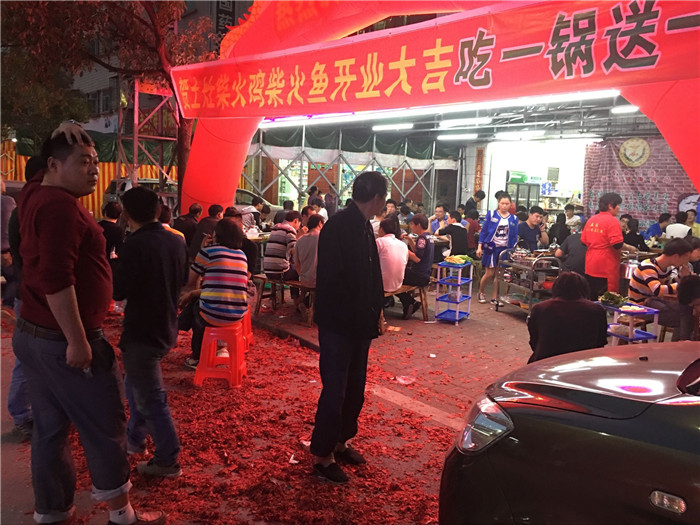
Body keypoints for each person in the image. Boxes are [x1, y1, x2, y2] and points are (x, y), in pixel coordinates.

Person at [14, 129, 165, 525]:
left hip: (33, 333)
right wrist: (78, 341)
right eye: (83, 162)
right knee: (105, 426)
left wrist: (60, 132)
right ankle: (122, 514)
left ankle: (52, 511)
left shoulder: (34, 193)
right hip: (62, 338)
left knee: (50, 429)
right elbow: (57, 280)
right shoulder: (60, 208)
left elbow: (39, 169)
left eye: (95, 162)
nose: (95, 170)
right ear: (53, 165)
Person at [310, 171, 386, 484]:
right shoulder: (338, 225)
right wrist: (358, 311)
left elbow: (372, 274)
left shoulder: (364, 225)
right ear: (377, 197)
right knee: (335, 390)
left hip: (359, 323)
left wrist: (376, 310)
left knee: (355, 387)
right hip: (339, 324)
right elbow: (331, 280)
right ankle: (322, 455)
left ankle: (341, 441)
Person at [113, 187, 187, 479]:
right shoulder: (176, 240)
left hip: (142, 329)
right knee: (137, 386)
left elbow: (119, 290)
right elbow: (182, 279)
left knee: (150, 398)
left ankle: (168, 458)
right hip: (166, 324)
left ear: (126, 214)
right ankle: (134, 439)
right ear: (158, 210)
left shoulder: (134, 245)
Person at [6, 156, 45, 442]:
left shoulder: (22, 209)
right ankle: (22, 415)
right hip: (34, 295)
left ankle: (30, 413)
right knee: (29, 359)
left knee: (33, 359)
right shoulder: (27, 211)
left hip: (30, 292)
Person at [180, 218, 249, 368]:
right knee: (198, 300)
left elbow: (189, 281)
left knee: (197, 307)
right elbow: (220, 288)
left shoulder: (208, 252)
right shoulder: (242, 255)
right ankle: (221, 347)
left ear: (217, 235)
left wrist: (202, 249)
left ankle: (197, 357)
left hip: (213, 315)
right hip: (238, 315)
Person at [527, 272, 607, 363]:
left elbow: (534, 341)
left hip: (545, 362)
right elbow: (600, 343)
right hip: (584, 363)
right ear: (585, 288)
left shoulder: (540, 309)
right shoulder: (597, 310)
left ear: (556, 288)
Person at [629, 238, 694, 341]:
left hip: (654, 301)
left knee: (687, 309)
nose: (687, 261)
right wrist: (683, 283)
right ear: (676, 256)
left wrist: (681, 277)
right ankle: (680, 345)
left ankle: (679, 344)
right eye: (686, 258)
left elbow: (668, 285)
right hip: (640, 306)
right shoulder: (648, 267)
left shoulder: (667, 268)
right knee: (684, 318)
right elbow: (658, 290)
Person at [581, 193, 625, 298]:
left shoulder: (591, 220)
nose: (619, 208)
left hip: (590, 264)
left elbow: (583, 241)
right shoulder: (613, 221)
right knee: (607, 299)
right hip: (606, 266)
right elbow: (617, 245)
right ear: (610, 206)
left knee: (592, 297)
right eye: (618, 205)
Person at [477, 193, 518, 305]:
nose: (504, 206)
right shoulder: (491, 214)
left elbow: (514, 236)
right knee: (489, 273)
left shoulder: (514, 218)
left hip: (504, 249)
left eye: (507, 204)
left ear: (510, 204)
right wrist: (480, 246)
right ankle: (481, 291)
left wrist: (513, 250)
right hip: (491, 248)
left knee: (499, 275)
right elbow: (484, 231)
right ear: (498, 203)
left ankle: (495, 298)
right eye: (502, 203)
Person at [398, 214, 434, 319]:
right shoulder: (428, 236)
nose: (411, 227)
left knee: (393, 280)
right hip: (425, 274)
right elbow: (419, 253)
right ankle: (409, 303)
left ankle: (409, 302)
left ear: (418, 225)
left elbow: (417, 258)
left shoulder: (422, 239)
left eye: (412, 224)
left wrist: (403, 249)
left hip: (419, 276)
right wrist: (410, 240)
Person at [263, 210, 301, 298]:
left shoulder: (276, 227)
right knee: (300, 272)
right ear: (296, 221)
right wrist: (300, 237)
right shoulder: (290, 229)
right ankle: (297, 301)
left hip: (267, 271)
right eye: (299, 223)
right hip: (279, 273)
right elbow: (294, 251)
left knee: (293, 266)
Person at [293, 213, 324, 316]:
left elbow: (296, 263)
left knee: (306, 289)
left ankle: (302, 302)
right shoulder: (323, 238)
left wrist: (302, 275)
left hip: (304, 279)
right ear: (320, 223)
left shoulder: (300, 240)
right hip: (318, 281)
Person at [376, 218, 409, 299]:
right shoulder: (403, 244)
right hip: (397, 284)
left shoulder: (379, 241)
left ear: (381, 229)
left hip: (381, 285)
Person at [1, 178, 18, 309]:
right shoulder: (7, 201)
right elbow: (13, 226)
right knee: (15, 279)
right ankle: (6, 309)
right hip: (4, 252)